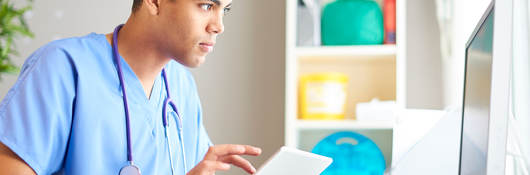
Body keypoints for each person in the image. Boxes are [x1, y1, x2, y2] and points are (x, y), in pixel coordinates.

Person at [0, 0, 262, 174]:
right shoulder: (63, 68)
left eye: (225, 9)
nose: (219, 26)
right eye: (206, 5)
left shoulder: (181, 87)